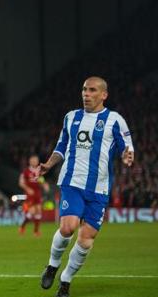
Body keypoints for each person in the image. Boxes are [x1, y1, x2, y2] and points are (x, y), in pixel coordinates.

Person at [39, 77, 134, 297]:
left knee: (86, 240)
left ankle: (65, 281)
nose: (86, 94)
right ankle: (53, 265)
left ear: (103, 95)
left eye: (92, 90)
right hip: (72, 181)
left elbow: (126, 146)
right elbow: (61, 146)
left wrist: (128, 156)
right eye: (84, 89)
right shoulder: (71, 117)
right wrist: (49, 165)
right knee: (68, 227)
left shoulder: (115, 120)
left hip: (99, 189)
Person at [18, 154, 49, 236]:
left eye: (36, 160)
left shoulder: (39, 171)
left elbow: (41, 181)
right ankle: (22, 227)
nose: (34, 161)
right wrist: (28, 189)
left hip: (38, 193)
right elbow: (21, 183)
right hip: (30, 194)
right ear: (30, 161)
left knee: (38, 210)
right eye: (33, 160)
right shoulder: (26, 171)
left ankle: (36, 231)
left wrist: (45, 185)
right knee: (32, 211)